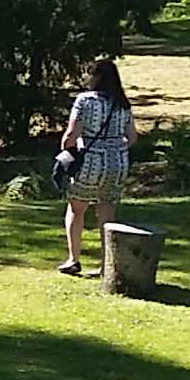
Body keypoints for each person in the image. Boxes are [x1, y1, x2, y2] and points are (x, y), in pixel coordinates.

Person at [55, 56, 134, 276]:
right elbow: (132, 137)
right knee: (107, 214)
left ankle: (74, 259)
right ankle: (106, 265)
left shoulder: (85, 101)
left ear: (96, 77)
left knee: (76, 209)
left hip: (90, 161)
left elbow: (71, 134)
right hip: (117, 163)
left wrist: (66, 151)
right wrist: (115, 146)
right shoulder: (122, 103)